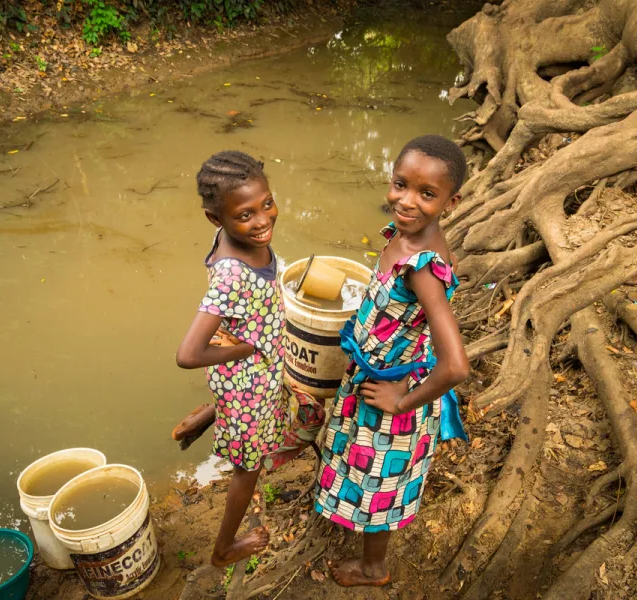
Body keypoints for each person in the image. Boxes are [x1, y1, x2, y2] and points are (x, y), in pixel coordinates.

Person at [314, 135, 471, 586]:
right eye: (400, 185)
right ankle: (349, 512)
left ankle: (374, 568)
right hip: (373, 375)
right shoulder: (403, 237)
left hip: (395, 396)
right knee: (359, 463)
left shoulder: (422, 266)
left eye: (427, 194)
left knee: (381, 485)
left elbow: (456, 364)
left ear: (451, 200)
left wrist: (402, 402)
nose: (407, 201)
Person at [175, 150, 286, 567]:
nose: (261, 221)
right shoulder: (231, 273)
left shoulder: (235, 236)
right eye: (245, 215)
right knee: (248, 468)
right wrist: (244, 349)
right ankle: (224, 549)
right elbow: (188, 355)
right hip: (247, 381)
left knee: (254, 433)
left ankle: (218, 413)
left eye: (267, 204)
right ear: (215, 219)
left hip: (251, 375)